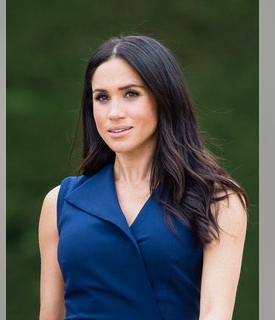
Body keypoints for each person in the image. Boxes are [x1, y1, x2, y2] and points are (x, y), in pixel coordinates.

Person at [38, 35, 248, 320]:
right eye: (102, 97)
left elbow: (215, 313)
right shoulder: (60, 203)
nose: (114, 113)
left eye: (131, 94)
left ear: (164, 99)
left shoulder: (218, 200)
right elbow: (51, 314)